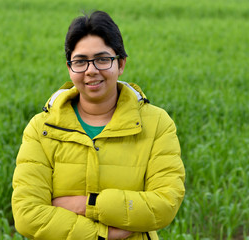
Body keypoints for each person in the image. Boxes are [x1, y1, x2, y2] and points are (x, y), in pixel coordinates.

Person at [11, 10, 185, 240]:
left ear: (121, 64)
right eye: (80, 61)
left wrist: (88, 205)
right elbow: (27, 214)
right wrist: (102, 235)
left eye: (103, 59)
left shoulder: (156, 124)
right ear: (69, 67)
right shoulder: (42, 128)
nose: (91, 70)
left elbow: (164, 204)